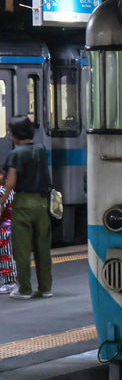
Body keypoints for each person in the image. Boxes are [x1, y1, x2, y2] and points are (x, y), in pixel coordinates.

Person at [0, 118, 53, 298]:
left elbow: (10, 182)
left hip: (23, 203)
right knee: (42, 247)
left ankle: (24, 289)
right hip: (42, 202)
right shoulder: (40, 150)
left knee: (22, 249)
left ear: (15, 133)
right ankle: (46, 288)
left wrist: (1, 202)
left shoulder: (16, 154)